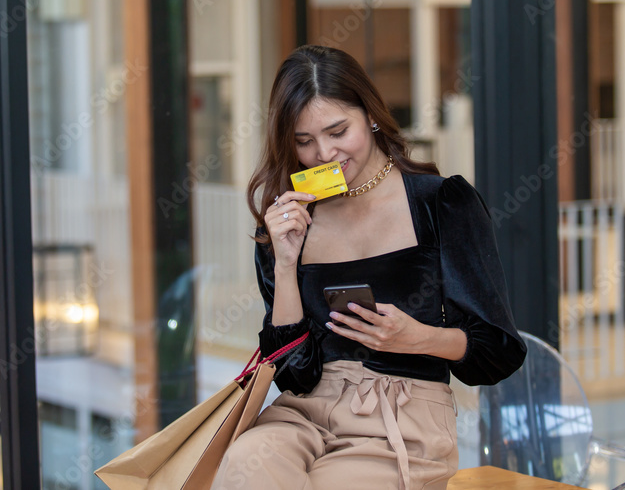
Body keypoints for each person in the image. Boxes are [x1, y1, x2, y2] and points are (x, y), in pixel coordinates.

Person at [211, 45, 527, 490]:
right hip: (305, 412)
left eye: (338, 131)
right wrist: (284, 263)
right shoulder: (288, 224)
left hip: (403, 413)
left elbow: (499, 352)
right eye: (304, 141)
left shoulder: (440, 203)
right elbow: (293, 374)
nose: (324, 153)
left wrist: (418, 338)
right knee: (245, 464)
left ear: (371, 115)